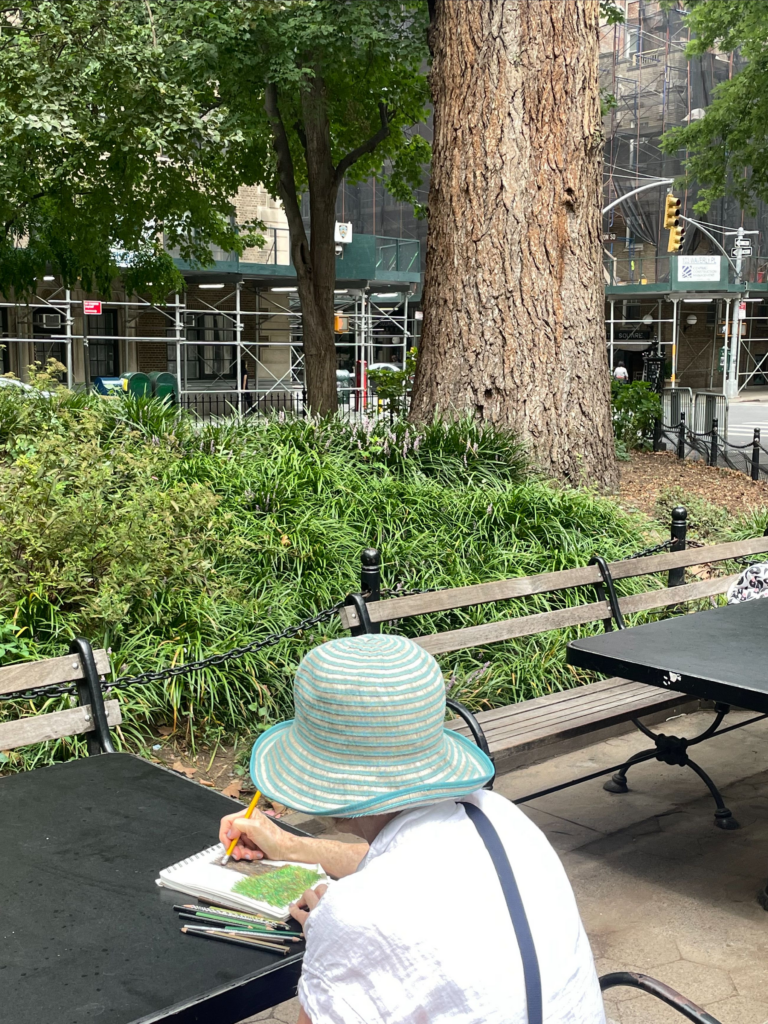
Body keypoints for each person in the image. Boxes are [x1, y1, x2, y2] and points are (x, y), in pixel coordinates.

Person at [219, 634, 605, 1024]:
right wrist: (288, 846)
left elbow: (372, 903)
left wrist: (331, 931)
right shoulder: (501, 817)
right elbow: (388, 866)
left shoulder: (357, 913)